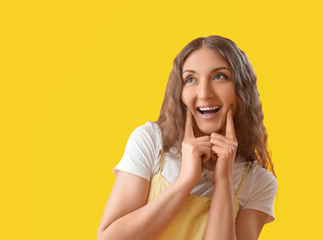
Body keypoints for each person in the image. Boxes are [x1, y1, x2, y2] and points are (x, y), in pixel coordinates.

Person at [97, 35, 277, 240]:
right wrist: (186, 180)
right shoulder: (151, 141)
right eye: (190, 79)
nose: (204, 93)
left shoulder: (258, 182)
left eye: (219, 77)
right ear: (180, 93)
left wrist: (224, 180)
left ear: (241, 90)